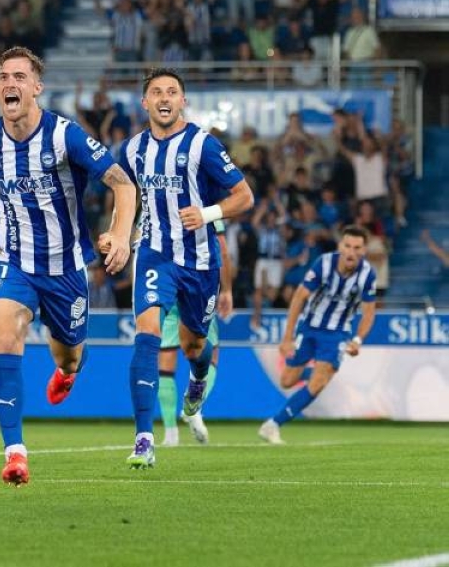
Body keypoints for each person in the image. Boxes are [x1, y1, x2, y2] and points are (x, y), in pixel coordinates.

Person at [0, 47, 137, 486]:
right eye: (3, 77)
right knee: (7, 333)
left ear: (37, 87)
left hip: (65, 267)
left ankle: (67, 370)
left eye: (19, 76)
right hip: (10, 260)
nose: (9, 83)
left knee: (69, 355)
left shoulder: (65, 136)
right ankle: (15, 453)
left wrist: (120, 234)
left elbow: (122, 184)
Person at [107, 69, 255, 469]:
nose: (164, 97)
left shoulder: (202, 144)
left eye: (172, 91)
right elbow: (124, 197)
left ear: (182, 101)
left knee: (194, 348)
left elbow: (245, 196)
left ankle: (197, 382)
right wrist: (118, 235)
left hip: (200, 261)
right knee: (147, 336)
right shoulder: (131, 150)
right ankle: (143, 439)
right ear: (145, 103)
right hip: (154, 253)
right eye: (156, 92)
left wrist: (207, 213)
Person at [259, 227, 377, 444]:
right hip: (309, 328)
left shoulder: (368, 275)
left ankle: (273, 424)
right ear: (340, 246)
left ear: (364, 250)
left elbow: (369, 312)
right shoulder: (324, 263)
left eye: (357, 248)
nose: (351, 252)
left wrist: (358, 340)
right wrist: (287, 337)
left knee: (318, 383)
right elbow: (299, 297)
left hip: (337, 334)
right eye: (348, 246)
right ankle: (319, 372)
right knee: (287, 380)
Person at [157, 221, 234, 447]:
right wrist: (227, 290)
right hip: (195, 285)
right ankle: (194, 407)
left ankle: (170, 434)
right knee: (210, 353)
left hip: (166, 284)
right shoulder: (205, 207)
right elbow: (222, 249)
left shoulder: (153, 205)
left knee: (165, 363)